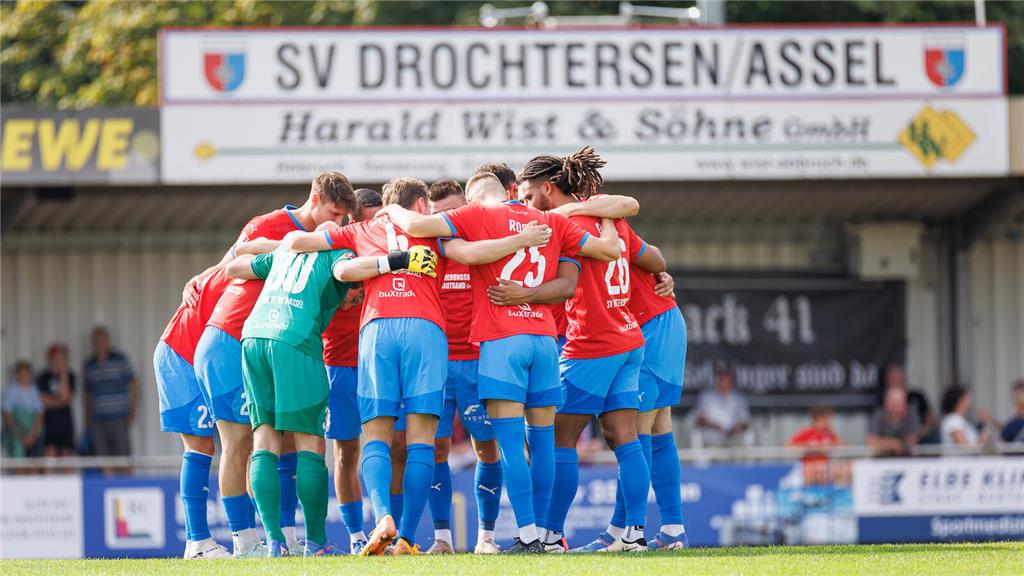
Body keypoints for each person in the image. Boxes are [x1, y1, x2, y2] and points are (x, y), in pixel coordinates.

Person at [286, 176, 552, 555]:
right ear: (422, 205)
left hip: (377, 328)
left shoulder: (361, 229)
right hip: (426, 331)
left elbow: (299, 243)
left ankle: (383, 519)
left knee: (375, 435)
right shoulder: (434, 234)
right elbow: (476, 254)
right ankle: (408, 538)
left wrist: (331, 228)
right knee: (422, 442)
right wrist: (521, 241)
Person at [381, 169, 620, 554]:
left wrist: (390, 207)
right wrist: (606, 211)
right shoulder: (551, 220)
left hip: (500, 340)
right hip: (543, 339)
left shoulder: (477, 217)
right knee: (541, 442)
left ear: (474, 200)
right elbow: (609, 249)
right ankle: (547, 536)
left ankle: (526, 535)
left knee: (509, 446)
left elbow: (418, 223)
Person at [509, 148, 663, 554]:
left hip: (592, 342)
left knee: (560, 437)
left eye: (527, 196)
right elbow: (651, 253)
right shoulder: (608, 217)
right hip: (628, 337)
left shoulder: (562, 223)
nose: (526, 205)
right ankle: (634, 534)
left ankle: (550, 534)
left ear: (547, 188)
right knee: (622, 436)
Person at [193, 172, 354, 556]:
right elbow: (232, 260)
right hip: (239, 338)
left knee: (262, 439)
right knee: (242, 443)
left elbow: (239, 265)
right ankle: (244, 541)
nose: (340, 224)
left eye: (346, 218)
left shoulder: (298, 244)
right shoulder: (276, 228)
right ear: (315, 198)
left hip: (251, 337)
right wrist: (202, 279)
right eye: (335, 214)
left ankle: (277, 540)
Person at [420, 179, 504, 555]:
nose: (450, 222)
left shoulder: (485, 250)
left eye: (456, 214)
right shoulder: (424, 252)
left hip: (477, 361)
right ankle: (442, 539)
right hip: (435, 367)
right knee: (436, 447)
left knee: (487, 447)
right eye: (441, 216)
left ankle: (486, 537)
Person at [322, 188, 384, 555]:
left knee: (395, 445)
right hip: (340, 367)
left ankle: (393, 527)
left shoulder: (390, 249)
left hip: (381, 364)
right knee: (346, 451)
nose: (372, 227)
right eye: (366, 220)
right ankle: (355, 534)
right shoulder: (335, 254)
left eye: (378, 220)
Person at [83, 326, 138, 463]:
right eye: (97, 341)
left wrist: (133, 409)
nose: (100, 344)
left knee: (124, 456)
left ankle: (127, 483)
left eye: (103, 340)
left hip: (119, 416)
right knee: (102, 457)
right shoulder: (89, 364)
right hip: (98, 419)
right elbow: (87, 394)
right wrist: (88, 419)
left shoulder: (120, 359)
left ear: (108, 341)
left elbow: (134, 385)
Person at [693, 361, 750, 448]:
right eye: (720, 377)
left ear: (731, 379)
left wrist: (735, 429)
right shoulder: (706, 397)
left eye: (726, 377)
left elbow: (745, 423)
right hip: (711, 439)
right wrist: (715, 426)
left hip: (733, 439)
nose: (723, 380)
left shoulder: (739, 398)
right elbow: (699, 419)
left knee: (738, 446)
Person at [36, 344, 76, 459]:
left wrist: (63, 373)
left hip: (65, 421)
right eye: (57, 357)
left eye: (62, 357)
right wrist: (60, 402)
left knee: (67, 455)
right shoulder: (44, 376)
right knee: (49, 454)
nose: (59, 360)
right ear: (51, 358)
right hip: (49, 421)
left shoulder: (70, 375)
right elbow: (43, 400)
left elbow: (67, 396)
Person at [789, 406, 842, 485]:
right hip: (809, 471)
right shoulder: (807, 433)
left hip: (825, 472)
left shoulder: (829, 434)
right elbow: (790, 445)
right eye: (828, 418)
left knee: (840, 470)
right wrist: (808, 447)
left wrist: (829, 447)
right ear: (819, 418)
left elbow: (841, 446)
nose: (830, 421)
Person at [3, 360, 44, 460]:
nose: (25, 377)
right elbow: (7, 414)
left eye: (27, 374)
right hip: (17, 432)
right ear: (17, 375)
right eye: (22, 374)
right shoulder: (11, 391)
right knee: (18, 459)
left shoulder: (34, 391)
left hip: (33, 433)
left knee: (34, 460)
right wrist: (19, 435)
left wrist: (33, 435)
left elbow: (39, 414)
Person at [866, 387, 921, 457]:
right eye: (896, 405)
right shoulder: (879, 415)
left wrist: (900, 445)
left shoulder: (911, 413)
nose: (900, 409)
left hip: (907, 457)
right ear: (887, 404)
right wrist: (893, 444)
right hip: (883, 457)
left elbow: (914, 439)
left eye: (902, 404)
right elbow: (870, 441)